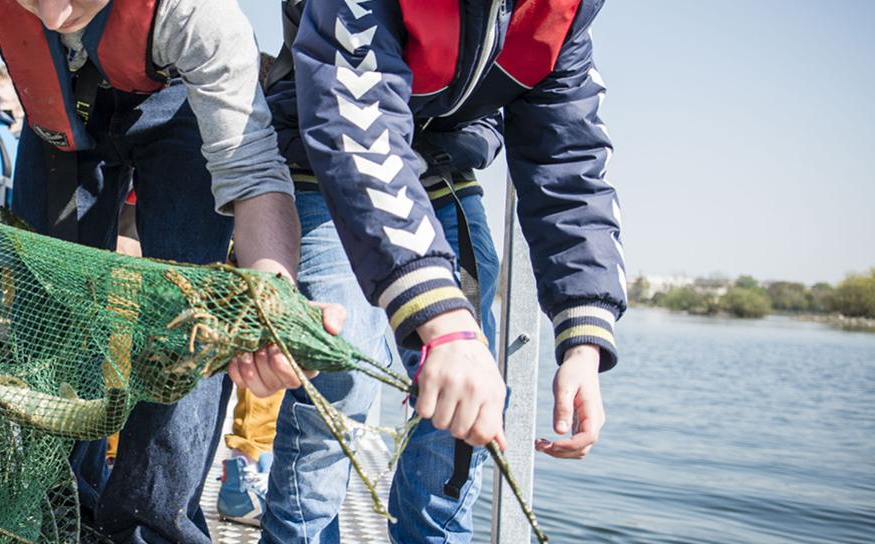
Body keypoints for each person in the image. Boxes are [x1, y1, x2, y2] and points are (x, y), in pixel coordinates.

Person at [230, 0, 628, 542]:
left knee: (464, 410)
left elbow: (569, 163)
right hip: (325, 161)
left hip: (443, 172)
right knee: (337, 383)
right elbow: (356, 120)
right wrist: (445, 322)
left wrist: (583, 341)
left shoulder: (562, 15)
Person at [0, 0, 305, 541]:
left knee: (191, 320)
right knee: (44, 313)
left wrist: (273, 288)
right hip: (57, 109)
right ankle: (57, 507)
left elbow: (253, 171)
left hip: (179, 105)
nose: (54, 13)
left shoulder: (199, 16)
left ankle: (155, 526)